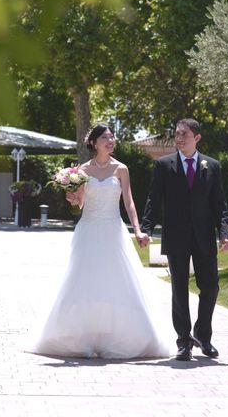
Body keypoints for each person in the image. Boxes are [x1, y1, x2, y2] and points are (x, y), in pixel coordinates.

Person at [28, 123, 171, 359]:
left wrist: (137, 230)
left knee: (115, 281)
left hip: (113, 231)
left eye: (112, 137)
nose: (110, 140)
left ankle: (115, 336)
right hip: (89, 230)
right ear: (94, 142)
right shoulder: (83, 170)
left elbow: (129, 202)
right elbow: (80, 204)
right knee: (85, 280)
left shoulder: (121, 169)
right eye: (105, 137)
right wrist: (72, 197)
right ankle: (82, 336)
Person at [140, 118, 228, 361]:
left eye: (184, 134)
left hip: (204, 238)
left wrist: (224, 233)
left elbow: (219, 204)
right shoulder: (163, 165)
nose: (179, 138)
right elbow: (154, 199)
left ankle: (203, 335)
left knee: (211, 287)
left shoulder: (211, 166)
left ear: (197, 137)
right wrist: (146, 228)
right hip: (176, 236)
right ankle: (183, 341)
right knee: (179, 290)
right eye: (177, 134)